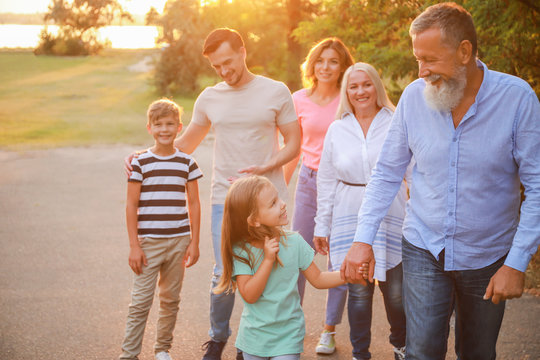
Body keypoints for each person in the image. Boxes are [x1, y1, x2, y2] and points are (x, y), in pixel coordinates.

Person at [341, 3, 540, 360]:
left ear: (464, 51)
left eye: (430, 60)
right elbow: (387, 172)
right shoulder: (414, 99)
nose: (422, 72)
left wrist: (516, 262)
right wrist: (362, 239)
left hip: (488, 256)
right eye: (418, 59)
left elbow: (538, 186)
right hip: (424, 247)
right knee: (421, 353)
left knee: (477, 353)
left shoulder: (517, 99)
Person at [125, 28, 300, 360]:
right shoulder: (209, 98)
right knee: (225, 275)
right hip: (225, 200)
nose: (223, 71)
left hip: (269, 200)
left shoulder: (276, 91)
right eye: (217, 66)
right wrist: (143, 155)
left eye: (228, 62)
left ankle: (260, 342)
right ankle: (218, 337)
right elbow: (183, 146)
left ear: (243, 51)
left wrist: (266, 166)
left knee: (273, 273)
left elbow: (294, 144)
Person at [314, 62, 408, 360]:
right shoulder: (337, 128)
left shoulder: (396, 121)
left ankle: (400, 345)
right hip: (348, 212)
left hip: (391, 211)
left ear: (377, 87)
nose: (360, 91)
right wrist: (321, 225)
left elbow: (415, 169)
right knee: (358, 291)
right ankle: (360, 353)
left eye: (366, 84)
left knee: (395, 292)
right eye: (353, 86)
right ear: (346, 92)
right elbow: (326, 178)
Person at [214, 175, 363, 360]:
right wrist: (268, 260)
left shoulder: (294, 242)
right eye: (273, 203)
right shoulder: (242, 251)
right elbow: (250, 295)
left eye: (279, 198)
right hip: (254, 338)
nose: (283, 204)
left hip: (288, 336)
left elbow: (318, 279)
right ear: (254, 220)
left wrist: (347, 274)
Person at [283, 37, 354, 355]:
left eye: (334, 61)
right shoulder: (298, 99)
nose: (326, 67)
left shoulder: (349, 98)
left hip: (344, 185)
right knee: (298, 254)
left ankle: (329, 330)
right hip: (309, 181)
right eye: (321, 60)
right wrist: (277, 191)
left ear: (343, 67)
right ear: (312, 64)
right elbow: (291, 150)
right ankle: (290, 325)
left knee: (338, 258)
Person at [120, 99, 203, 360]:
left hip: (179, 242)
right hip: (148, 244)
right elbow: (131, 205)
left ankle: (162, 349)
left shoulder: (187, 163)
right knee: (140, 302)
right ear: (149, 128)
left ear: (179, 127)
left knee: (170, 300)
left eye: (170, 124)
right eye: (158, 125)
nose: (164, 130)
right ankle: (129, 354)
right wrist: (134, 246)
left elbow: (194, 204)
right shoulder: (141, 163)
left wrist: (194, 242)